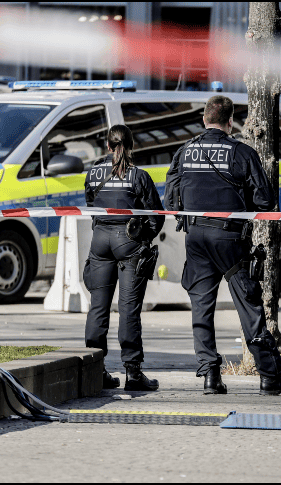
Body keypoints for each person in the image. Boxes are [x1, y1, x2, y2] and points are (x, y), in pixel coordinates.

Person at [164, 95, 281, 396]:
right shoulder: (241, 153)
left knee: (201, 308)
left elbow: (171, 202)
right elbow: (265, 201)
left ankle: (210, 378)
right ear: (230, 122)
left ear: (204, 119)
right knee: (250, 308)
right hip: (230, 241)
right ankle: (269, 376)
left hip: (196, 239)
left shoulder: (184, 152)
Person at [83, 124, 165, 391]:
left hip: (100, 240)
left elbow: (90, 204)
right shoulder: (138, 176)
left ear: (108, 146)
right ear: (131, 146)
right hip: (128, 240)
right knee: (128, 309)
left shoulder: (93, 173)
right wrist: (144, 237)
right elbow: (157, 216)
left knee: (98, 307)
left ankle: (95, 370)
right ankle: (132, 372)